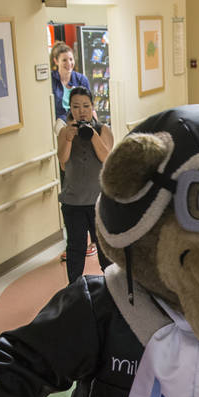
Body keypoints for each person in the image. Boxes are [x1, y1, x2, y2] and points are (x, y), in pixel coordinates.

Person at [56, 86, 112, 285]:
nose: (81, 111)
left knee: (105, 249)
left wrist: (92, 133)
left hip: (99, 202)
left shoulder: (104, 130)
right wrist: (70, 137)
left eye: (86, 106)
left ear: (92, 107)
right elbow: (62, 160)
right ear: (70, 108)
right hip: (73, 202)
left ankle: (114, 288)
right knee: (76, 248)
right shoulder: (64, 132)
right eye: (76, 106)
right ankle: (75, 290)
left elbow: (106, 157)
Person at [50, 42, 90, 125]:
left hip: (80, 118)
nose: (69, 63)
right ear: (56, 61)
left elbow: (89, 105)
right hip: (59, 121)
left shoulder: (82, 79)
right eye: (64, 60)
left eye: (71, 59)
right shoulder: (51, 80)